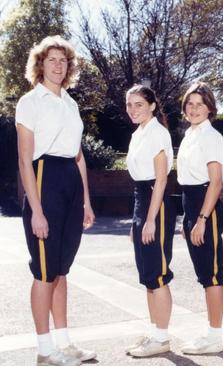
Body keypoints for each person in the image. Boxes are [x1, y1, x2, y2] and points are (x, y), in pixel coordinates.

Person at [16, 35, 96, 366]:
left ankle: (64, 343)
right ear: (40, 64)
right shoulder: (30, 102)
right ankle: (45, 349)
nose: (58, 65)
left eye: (63, 60)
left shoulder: (70, 103)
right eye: (51, 59)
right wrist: (36, 210)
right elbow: (24, 160)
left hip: (70, 182)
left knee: (61, 271)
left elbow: (78, 157)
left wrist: (87, 202)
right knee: (44, 272)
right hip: (44, 176)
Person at [124, 84, 175, 358]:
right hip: (142, 201)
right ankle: (155, 332)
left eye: (139, 104)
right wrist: (138, 221)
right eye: (130, 105)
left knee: (158, 272)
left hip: (156, 201)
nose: (133, 110)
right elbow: (139, 185)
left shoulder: (158, 132)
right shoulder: (139, 133)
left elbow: (160, 179)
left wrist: (151, 220)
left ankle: (163, 336)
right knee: (147, 275)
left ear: (152, 106)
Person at [176, 82, 223, 354]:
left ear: (210, 107)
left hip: (206, 207)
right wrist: (189, 217)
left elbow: (216, 182)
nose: (194, 109)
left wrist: (202, 219)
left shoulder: (211, 137)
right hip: (192, 204)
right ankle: (210, 331)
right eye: (190, 104)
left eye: (200, 104)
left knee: (212, 273)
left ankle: (215, 336)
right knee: (204, 274)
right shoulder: (190, 135)